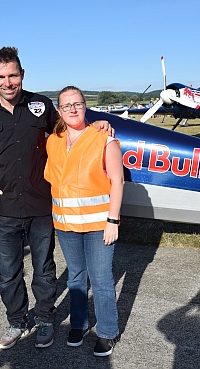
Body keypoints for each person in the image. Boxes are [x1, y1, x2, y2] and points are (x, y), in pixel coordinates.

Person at [0, 47, 113, 350]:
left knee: (44, 270)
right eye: (1, 76)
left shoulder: (41, 105)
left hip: (40, 207)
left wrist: (96, 125)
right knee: (9, 274)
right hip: (4, 208)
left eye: (13, 75)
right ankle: (16, 321)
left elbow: (69, 126)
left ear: (22, 74)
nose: (7, 82)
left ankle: (45, 320)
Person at [44, 86, 124, 357]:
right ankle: (78, 324)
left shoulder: (104, 138)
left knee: (101, 279)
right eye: (66, 106)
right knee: (76, 279)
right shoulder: (53, 140)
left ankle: (107, 332)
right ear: (59, 110)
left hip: (99, 224)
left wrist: (113, 220)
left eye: (77, 104)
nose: (73, 109)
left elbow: (117, 181)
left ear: (85, 105)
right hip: (66, 225)